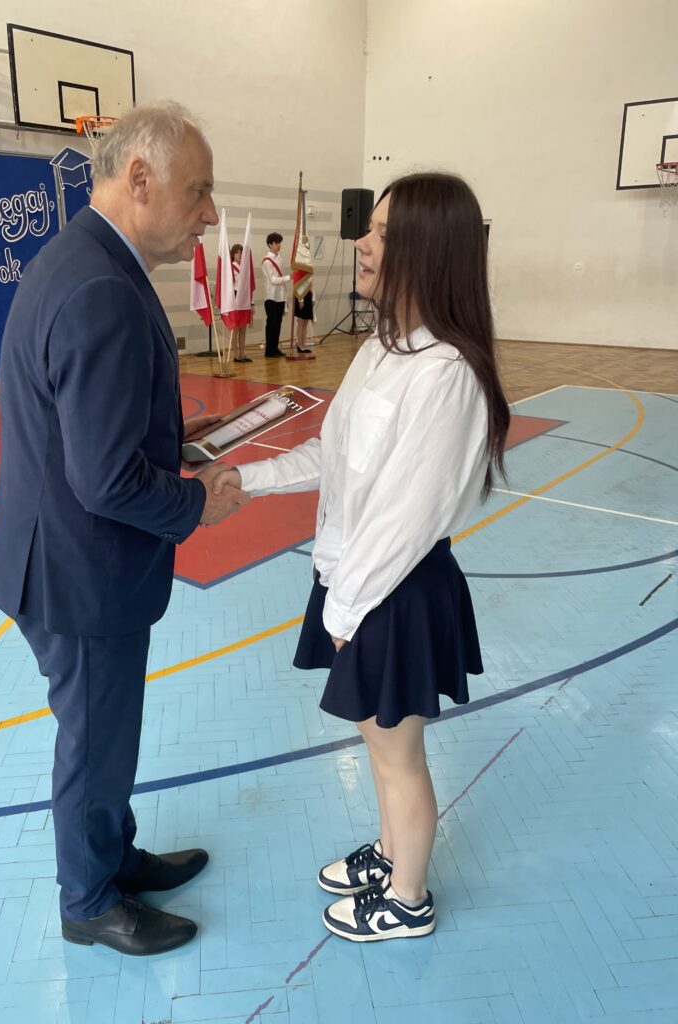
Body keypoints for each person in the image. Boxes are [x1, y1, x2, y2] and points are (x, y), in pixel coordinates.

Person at [210, 172, 510, 942]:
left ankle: (408, 898)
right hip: (354, 578)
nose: (362, 244)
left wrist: (345, 609)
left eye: (381, 233)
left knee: (397, 753)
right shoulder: (381, 348)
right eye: (367, 229)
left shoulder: (446, 374)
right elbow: (334, 452)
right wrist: (249, 479)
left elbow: (405, 520)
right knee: (377, 741)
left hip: (392, 589)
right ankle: (389, 850)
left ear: (427, 250)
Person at [0, 104, 249, 957]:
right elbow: (101, 478)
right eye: (198, 191)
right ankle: (89, 901)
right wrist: (195, 504)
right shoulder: (100, 285)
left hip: (63, 556)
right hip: (79, 571)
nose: (209, 212)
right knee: (95, 740)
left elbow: (85, 428)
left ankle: (113, 856)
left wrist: (174, 440)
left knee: (107, 733)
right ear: (140, 178)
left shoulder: (84, 259)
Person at [261, 231, 290, 357]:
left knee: (278, 324)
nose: (279, 245)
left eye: (279, 243)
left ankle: (275, 348)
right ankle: (269, 350)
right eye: (276, 243)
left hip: (280, 297)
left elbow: (280, 280)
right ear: (270, 244)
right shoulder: (267, 261)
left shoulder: (280, 259)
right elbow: (273, 280)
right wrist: (289, 277)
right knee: (271, 324)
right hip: (271, 297)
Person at [230, 242, 252, 363]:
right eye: (237, 253)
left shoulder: (245, 268)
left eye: (241, 253)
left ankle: (242, 354)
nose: (239, 255)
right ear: (233, 255)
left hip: (244, 299)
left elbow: (248, 287)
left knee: (243, 329)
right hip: (235, 298)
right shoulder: (230, 268)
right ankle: (236, 355)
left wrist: (252, 303)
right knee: (235, 329)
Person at [293, 288, 314, 354]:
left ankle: (303, 345)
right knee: (301, 322)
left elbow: (309, 284)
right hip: (301, 296)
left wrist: (312, 297)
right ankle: (300, 345)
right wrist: (300, 300)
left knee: (305, 323)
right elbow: (298, 285)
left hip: (308, 295)